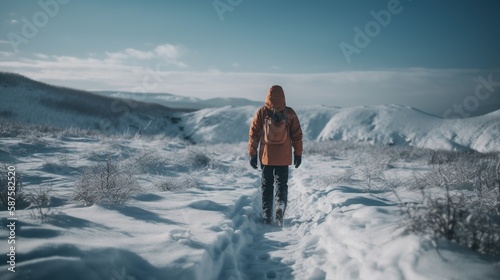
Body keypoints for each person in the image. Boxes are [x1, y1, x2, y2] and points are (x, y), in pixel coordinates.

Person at [248, 85, 303, 226]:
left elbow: (253, 134)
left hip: (267, 157)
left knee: (267, 185)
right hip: (284, 158)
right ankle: (280, 206)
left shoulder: (262, 112)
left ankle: (267, 214)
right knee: (281, 184)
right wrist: (298, 153)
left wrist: (252, 153)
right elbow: (297, 135)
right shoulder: (289, 113)